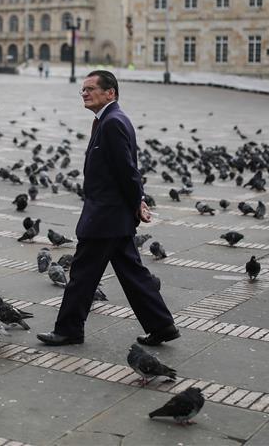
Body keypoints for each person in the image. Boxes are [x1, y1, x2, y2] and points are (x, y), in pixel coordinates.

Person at [37, 70, 178, 347]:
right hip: (112, 215)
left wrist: (137, 202)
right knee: (133, 275)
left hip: (105, 216)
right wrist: (136, 202)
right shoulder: (111, 119)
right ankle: (162, 326)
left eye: (91, 89)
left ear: (110, 92)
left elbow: (127, 171)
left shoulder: (112, 122)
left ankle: (68, 330)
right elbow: (124, 170)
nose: (85, 93)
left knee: (82, 275)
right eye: (83, 90)